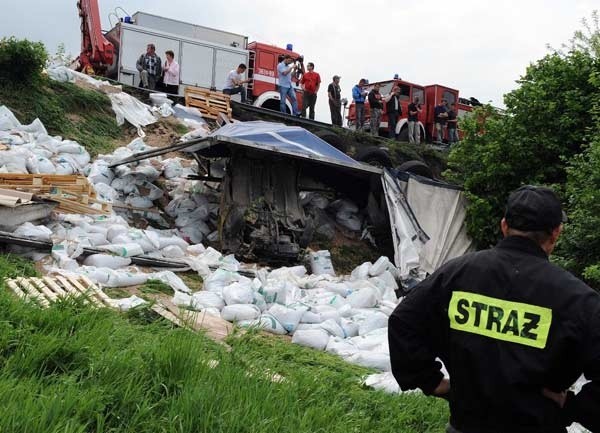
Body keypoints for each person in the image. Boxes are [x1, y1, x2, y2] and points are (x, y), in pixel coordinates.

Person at [388, 185, 600, 433]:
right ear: (555, 233)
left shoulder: (455, 274)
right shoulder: (577, 299)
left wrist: (432, 382)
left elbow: (403, 321)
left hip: (466, 425)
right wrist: (573, 406)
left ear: (504, 226)